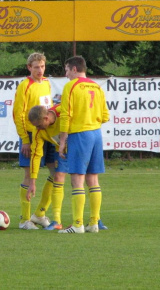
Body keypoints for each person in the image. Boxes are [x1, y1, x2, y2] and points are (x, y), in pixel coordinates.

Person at [57, 56, 109, 234]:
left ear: (73, 69)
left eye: (66, 70)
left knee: (77, 179)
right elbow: (105, 116)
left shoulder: (70, 87)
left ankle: (77, 224)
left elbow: (65, 116)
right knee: (93, 180)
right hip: (96, 134)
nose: (65, 75)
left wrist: (62, 141)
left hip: (80, 134)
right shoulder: (96, 86)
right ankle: (94, 223)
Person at [12, 53, 57, 230]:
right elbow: (19, 114)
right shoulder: (24, 86)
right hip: (31, 137)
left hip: (47, 134)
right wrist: (25, 139)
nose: (40, 70)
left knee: (56, 172)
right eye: (36, 67)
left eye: (42, 66)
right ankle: (24, 220)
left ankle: (39, 214)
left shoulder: (46, 82)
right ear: (29, 67)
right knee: (29, 175)